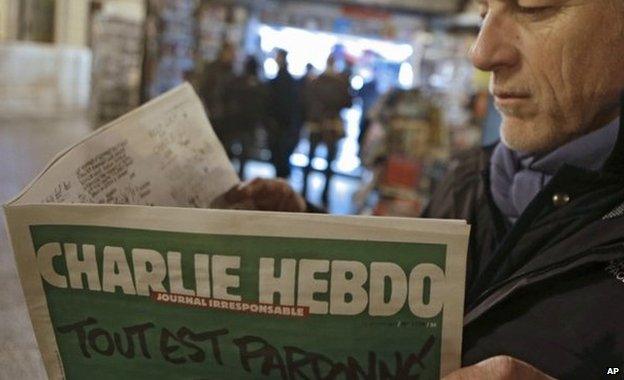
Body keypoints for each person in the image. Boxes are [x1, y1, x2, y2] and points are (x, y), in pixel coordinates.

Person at [222, 0, 624, 378]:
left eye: (536, 7)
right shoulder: (470, 172)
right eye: (484, 10)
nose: (482, 54)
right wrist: (310, 238)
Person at [302, 54, 353, 205]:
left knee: (310, 158)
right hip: (332, 124)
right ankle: (325, 193)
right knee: (329, 162)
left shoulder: (316, 81)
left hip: (316, 124)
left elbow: (307, 101)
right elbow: (348, 103)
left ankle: (304, 190)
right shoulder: (340, 83)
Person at [223, 56, 268, 178]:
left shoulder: (238, 81)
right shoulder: (259, 85)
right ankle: (238, 175)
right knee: (244, 153)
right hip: (248, 124)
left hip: (236, 123)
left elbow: (228, 98)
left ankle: (230, 176)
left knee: (232, 150)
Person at [266, 49, 303, 179]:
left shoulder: (280, 81)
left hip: (281, 127)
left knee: (280, 159)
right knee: (282, 159)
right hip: (286, 126)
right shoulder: (290, 81)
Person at [198, 42, 237, 151]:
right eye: (231, 52)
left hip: (224, 119)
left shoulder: (231, 72)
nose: (233, 55)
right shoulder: (212, 69)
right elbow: (204, 90)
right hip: (212, 116)